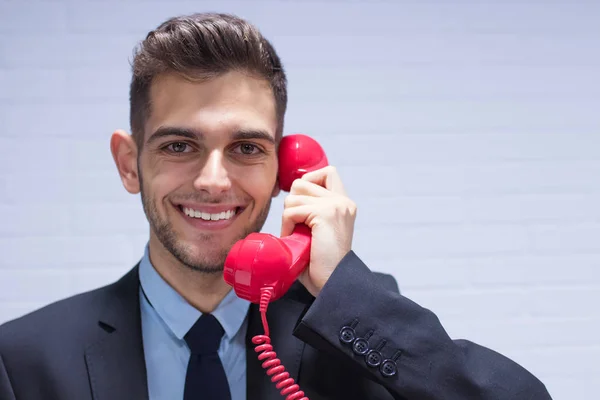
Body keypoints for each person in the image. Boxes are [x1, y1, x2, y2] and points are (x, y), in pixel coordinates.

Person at [0, 12, 552, 400]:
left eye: (246, 148)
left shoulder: (354, 325)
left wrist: (341, 288)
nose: (214, 182)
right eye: (178, 145)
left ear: (287, 169)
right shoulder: (22, 359)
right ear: (128, 163)